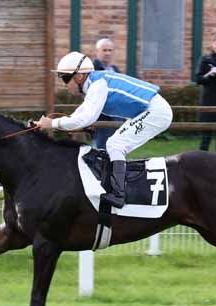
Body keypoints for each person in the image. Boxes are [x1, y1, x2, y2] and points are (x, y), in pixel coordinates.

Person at [36, 51, 173, 208]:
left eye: (65, 78)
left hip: (155, 112)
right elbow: (81, 113)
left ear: (79, 76)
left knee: (115, 145)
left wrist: (52, 124)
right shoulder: (95, 83)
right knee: (114, 144)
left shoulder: (97, 86)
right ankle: (116, 187)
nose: (63, 84)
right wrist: (61, 123)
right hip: (149, 111)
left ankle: (118, 195)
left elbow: (84, 118)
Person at [92, 38, 121, 151]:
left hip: (117, 118)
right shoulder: (93, 70)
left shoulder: (115, 70)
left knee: (116, 150)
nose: (107, 53)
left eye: (110, 50)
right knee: (100, 150)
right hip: (102, 117)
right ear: (97, 51)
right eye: (104, 50)